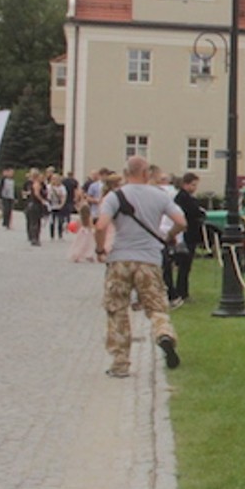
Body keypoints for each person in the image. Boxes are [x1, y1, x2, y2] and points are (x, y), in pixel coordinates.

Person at [95, 155, 186, 377]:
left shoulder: (114, 197)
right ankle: (163, 333)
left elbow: (101, 226)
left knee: (117, 308)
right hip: (150, 259)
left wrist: (100, 250)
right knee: (156, 306)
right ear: (147, 174)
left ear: (125, 174)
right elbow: (181, 221)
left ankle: (120, 362)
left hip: (121, 259)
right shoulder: (159, 195)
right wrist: (168, 236)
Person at [167, 172, 207, 305]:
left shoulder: (186, 197)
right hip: (187, 234)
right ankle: (181, 292)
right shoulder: (183, 198)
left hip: (190, 234)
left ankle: (182, 291)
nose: (195, 188)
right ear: (185, 184)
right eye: (193, 185)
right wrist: (200, 212)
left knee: (186, 265)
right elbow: (194, 211)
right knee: (184, 264)